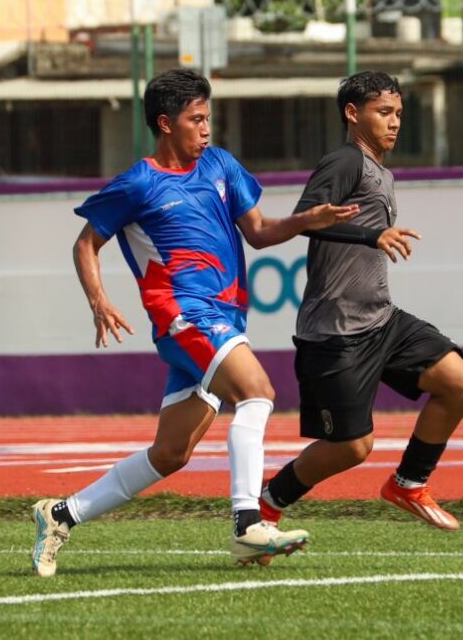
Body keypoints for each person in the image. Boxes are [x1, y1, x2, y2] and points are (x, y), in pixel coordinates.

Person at [30, 68, 359, 576]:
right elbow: (85, 243)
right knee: (257, 391)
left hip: (223, 317)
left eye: (209, 118)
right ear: (165, 123)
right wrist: (99, 300)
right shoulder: (138, 183)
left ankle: (61, 514)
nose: (206, 129)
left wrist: (306, 222)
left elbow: (261, 232)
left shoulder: (222, 166)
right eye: (196, 119)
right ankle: (248, 524)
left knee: (171, 452)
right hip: (184, 315)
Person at [259, 71, 463, 532]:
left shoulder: (382, 170)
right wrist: (372, 234)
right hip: (335, 332)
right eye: (384, 112)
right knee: (352, 448)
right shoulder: (344, 160)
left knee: (461, 384)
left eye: (399, 113)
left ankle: (409, 483)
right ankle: (267, 503)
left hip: (382, 320)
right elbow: (310, 220)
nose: (395, 122)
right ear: (352, 113)